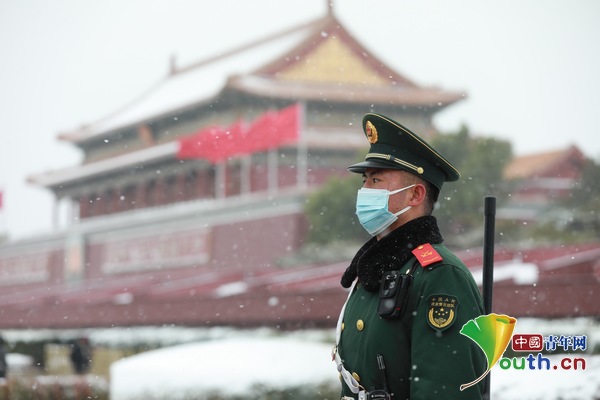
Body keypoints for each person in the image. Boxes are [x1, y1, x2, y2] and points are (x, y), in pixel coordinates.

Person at [333, 113, 486, 400]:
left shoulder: (439, 274)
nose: (364, 191)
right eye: (364, 180)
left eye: (375, 180)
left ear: (415, 195)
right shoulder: (373, 269)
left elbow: (444, 391)